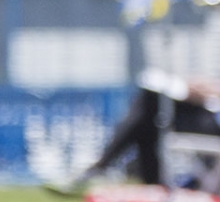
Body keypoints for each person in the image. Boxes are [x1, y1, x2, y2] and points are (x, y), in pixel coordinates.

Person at [54, 72, 220, 192]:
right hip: (208, 111)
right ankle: (152, 189)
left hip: (212, 121)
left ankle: (102, 165)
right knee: (149, 106)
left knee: (148, 107)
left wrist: (209, 91)